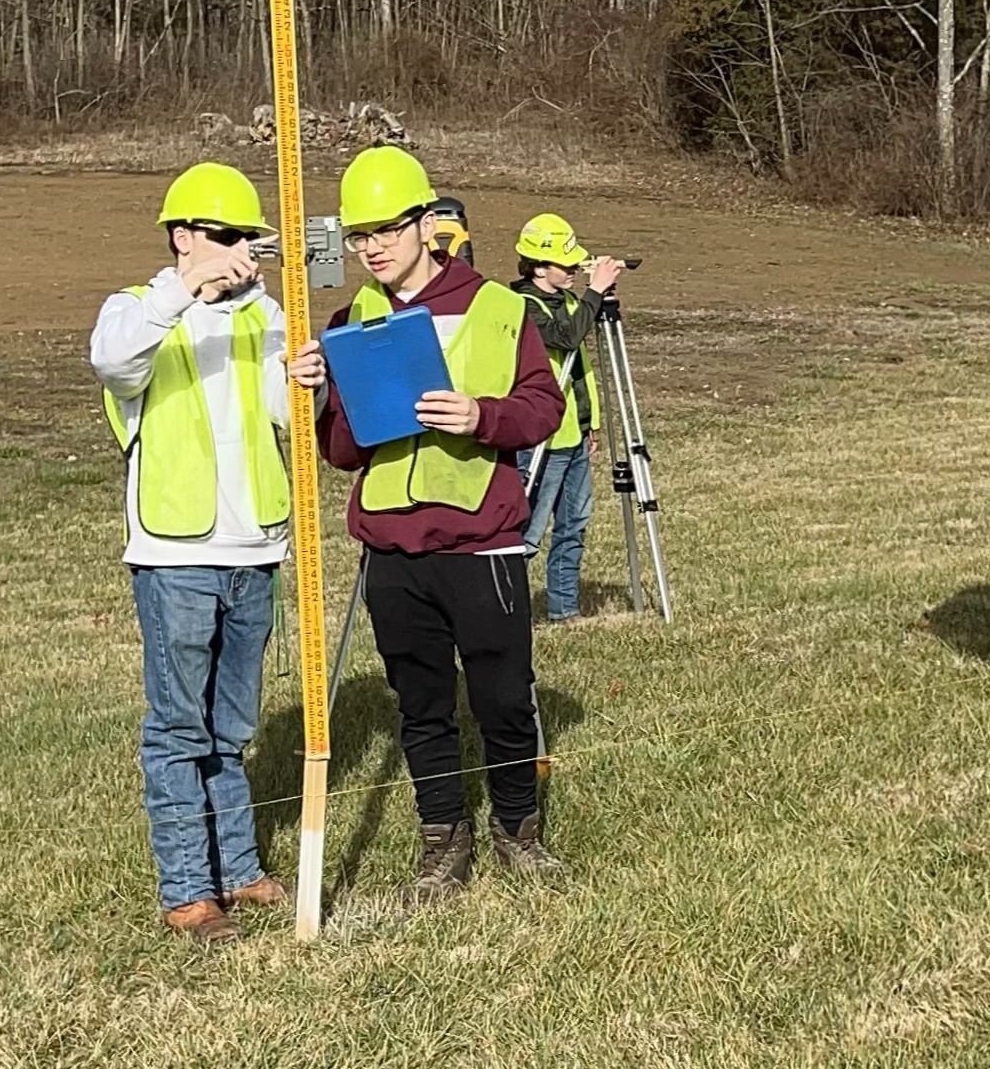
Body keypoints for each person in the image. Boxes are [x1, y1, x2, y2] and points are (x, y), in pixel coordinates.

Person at [284, 145, 569, 905]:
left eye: (385, 228)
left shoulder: (497, 308)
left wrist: (481, 417)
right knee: (421, 706)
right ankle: (442, 840)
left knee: (505, 698)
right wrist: (319, 394)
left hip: (482, 542)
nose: (371, 247)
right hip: (391, 547)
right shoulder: (351, 321)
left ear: (426, 225)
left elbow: (546, 409)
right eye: (358, 235)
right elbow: (344, 452)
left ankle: (519, 829)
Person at [92, 163, 299, 945]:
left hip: (257, 549)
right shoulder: (137, 311)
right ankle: (188, 889)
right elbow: (113, 363)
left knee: (231, 724)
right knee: (179, 728)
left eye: (244, 238)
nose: (235, 252)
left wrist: (303, 370)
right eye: (220, 236)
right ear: (181, 236)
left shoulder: (267, 314)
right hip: (176, 552)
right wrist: (189, 288)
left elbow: (283, 410)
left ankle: (239, 870)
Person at [507, 213, 628, 623]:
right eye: (567, 265)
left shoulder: (575, 301)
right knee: (529, 532)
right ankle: (507, 613)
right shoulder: (521, 306)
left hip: (573, 433)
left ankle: (563, 609)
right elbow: (563, 336)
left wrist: (590, 422)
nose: (575, 270)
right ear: (540, 268)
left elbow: (580, 367)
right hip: (541, 440)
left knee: (574, 524)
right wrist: (594, 292)